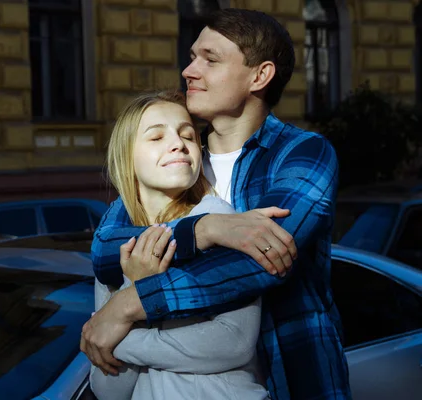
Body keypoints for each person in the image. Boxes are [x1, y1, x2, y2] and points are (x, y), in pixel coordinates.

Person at [81, 8, 351, 400]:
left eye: (210, 59)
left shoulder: (302, 154)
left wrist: (127, 305)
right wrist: (202, 230)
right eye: (192, 57)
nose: (189, 71)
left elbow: (258, 261)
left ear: (259, 76)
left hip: (295, 380)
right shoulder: (181, 162)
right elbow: (105, 249)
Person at [88, 90, 270, 399]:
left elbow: (234, 344)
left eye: (187, 135)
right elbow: (108, 389)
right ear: (126, 155)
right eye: (156, 137)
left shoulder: (218, 220)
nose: (178, 144)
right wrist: (135, 283)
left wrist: (119, 329)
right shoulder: (116, 247)